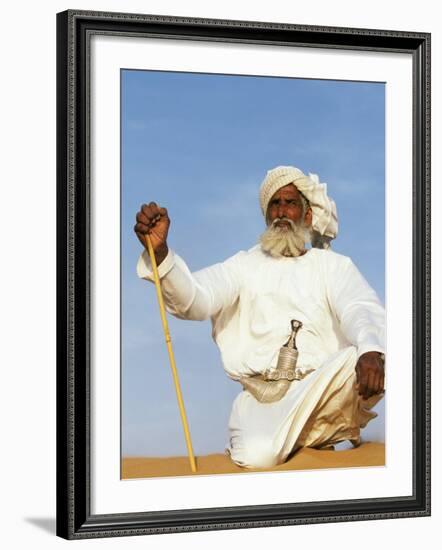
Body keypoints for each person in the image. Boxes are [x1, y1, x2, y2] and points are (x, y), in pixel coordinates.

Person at [134, 165, 385, 469]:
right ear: (266, 215)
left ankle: (323, 435)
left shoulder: (333, 266)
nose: (281, 211)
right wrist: (161, 254)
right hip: (266, 400)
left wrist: (371, 349)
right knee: (258, 456)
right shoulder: (243, 266)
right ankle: (300, 439)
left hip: (321, 388)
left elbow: (359, 306)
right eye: (274, 204)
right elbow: (196, 299)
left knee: (381, 351)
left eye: (290, 203)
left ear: (306, 215)